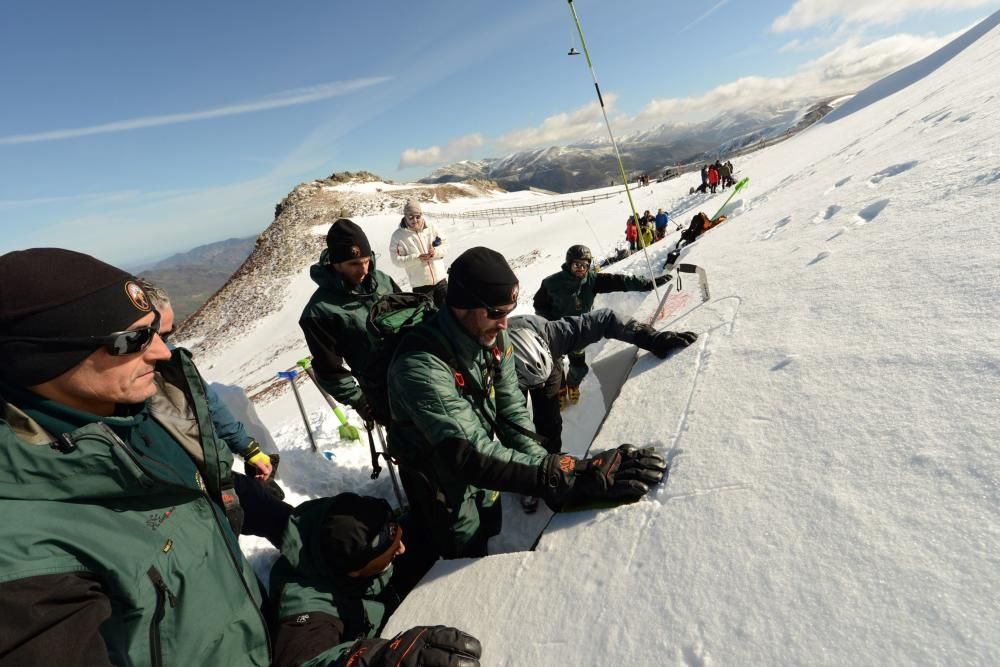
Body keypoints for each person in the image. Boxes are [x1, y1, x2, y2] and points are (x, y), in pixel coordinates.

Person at [0, 248, 270, 665]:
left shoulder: (142, 417)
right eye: (134, 339)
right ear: (44, 360)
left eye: (157, 332)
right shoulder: (22, 555)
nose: (163, 353)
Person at [386, 247, 667, 559]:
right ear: (463, 305)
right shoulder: (420, 367)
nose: (505, 324)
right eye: (496, 313)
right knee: (464, 543)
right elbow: (467, 453)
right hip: (440, 475)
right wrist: (560, 475)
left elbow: (511, 413)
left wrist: (557, 474)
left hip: (480, 458)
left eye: (509, 311)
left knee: (491, 522)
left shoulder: (494, 337)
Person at [138, 279, 293, 547]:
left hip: (214, 476)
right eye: (156, 336)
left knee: (283, 519)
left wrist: (248, 448)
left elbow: (209, 404)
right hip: (177, 499)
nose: (164, 349)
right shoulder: (119, 392)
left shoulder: (174, 360)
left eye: (169, 335)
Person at [270, 492, 481, 667]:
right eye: (390, 554)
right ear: (355, 572)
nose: (402, 548)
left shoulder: (349, 523)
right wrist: (378, 657)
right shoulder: (307, 608)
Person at [508, 310, 697, 453]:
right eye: (533, 384)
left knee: (548, 420)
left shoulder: (555, 335)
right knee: (515, 428)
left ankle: (550, 463)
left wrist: (650, 337)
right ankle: (528, 470)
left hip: (549, 364)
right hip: (508, 379)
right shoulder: (486, 370)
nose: (538, 387)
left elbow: (605, 319)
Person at [534, 245, 670, 406]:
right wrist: (547, 323)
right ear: (569, 263)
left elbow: (619, 282)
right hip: (556, 331)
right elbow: (539, 304)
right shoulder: (551, 283)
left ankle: (572, 385)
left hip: (579, 332)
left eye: (585, 265)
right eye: (577, 265)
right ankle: (561, 390)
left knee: (579, 367)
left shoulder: (592, 280)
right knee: (555, 367)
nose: (581, 269)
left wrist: (646, 284)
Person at [300, 219, 401, 424]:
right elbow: (329, 370)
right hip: (383, 394)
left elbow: (412, 317)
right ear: (336, 264)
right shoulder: (320, 311)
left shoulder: (382, 281)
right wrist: (359, 400)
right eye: (354, 264)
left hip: (420, 373)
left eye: (366, 260)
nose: (364, 269)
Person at [389, 199, 449, 307]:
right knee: (427, 319)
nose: (415, 220)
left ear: (421, 215)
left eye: (418, 216)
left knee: (447, 313)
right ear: (405, 216)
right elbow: (396, 260)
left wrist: (435, 252)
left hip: (441, 282)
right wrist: (417, 258)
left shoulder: (432, 228)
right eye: (410, 217)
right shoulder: (398, 236)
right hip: (421, 287)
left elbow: (445, 245)